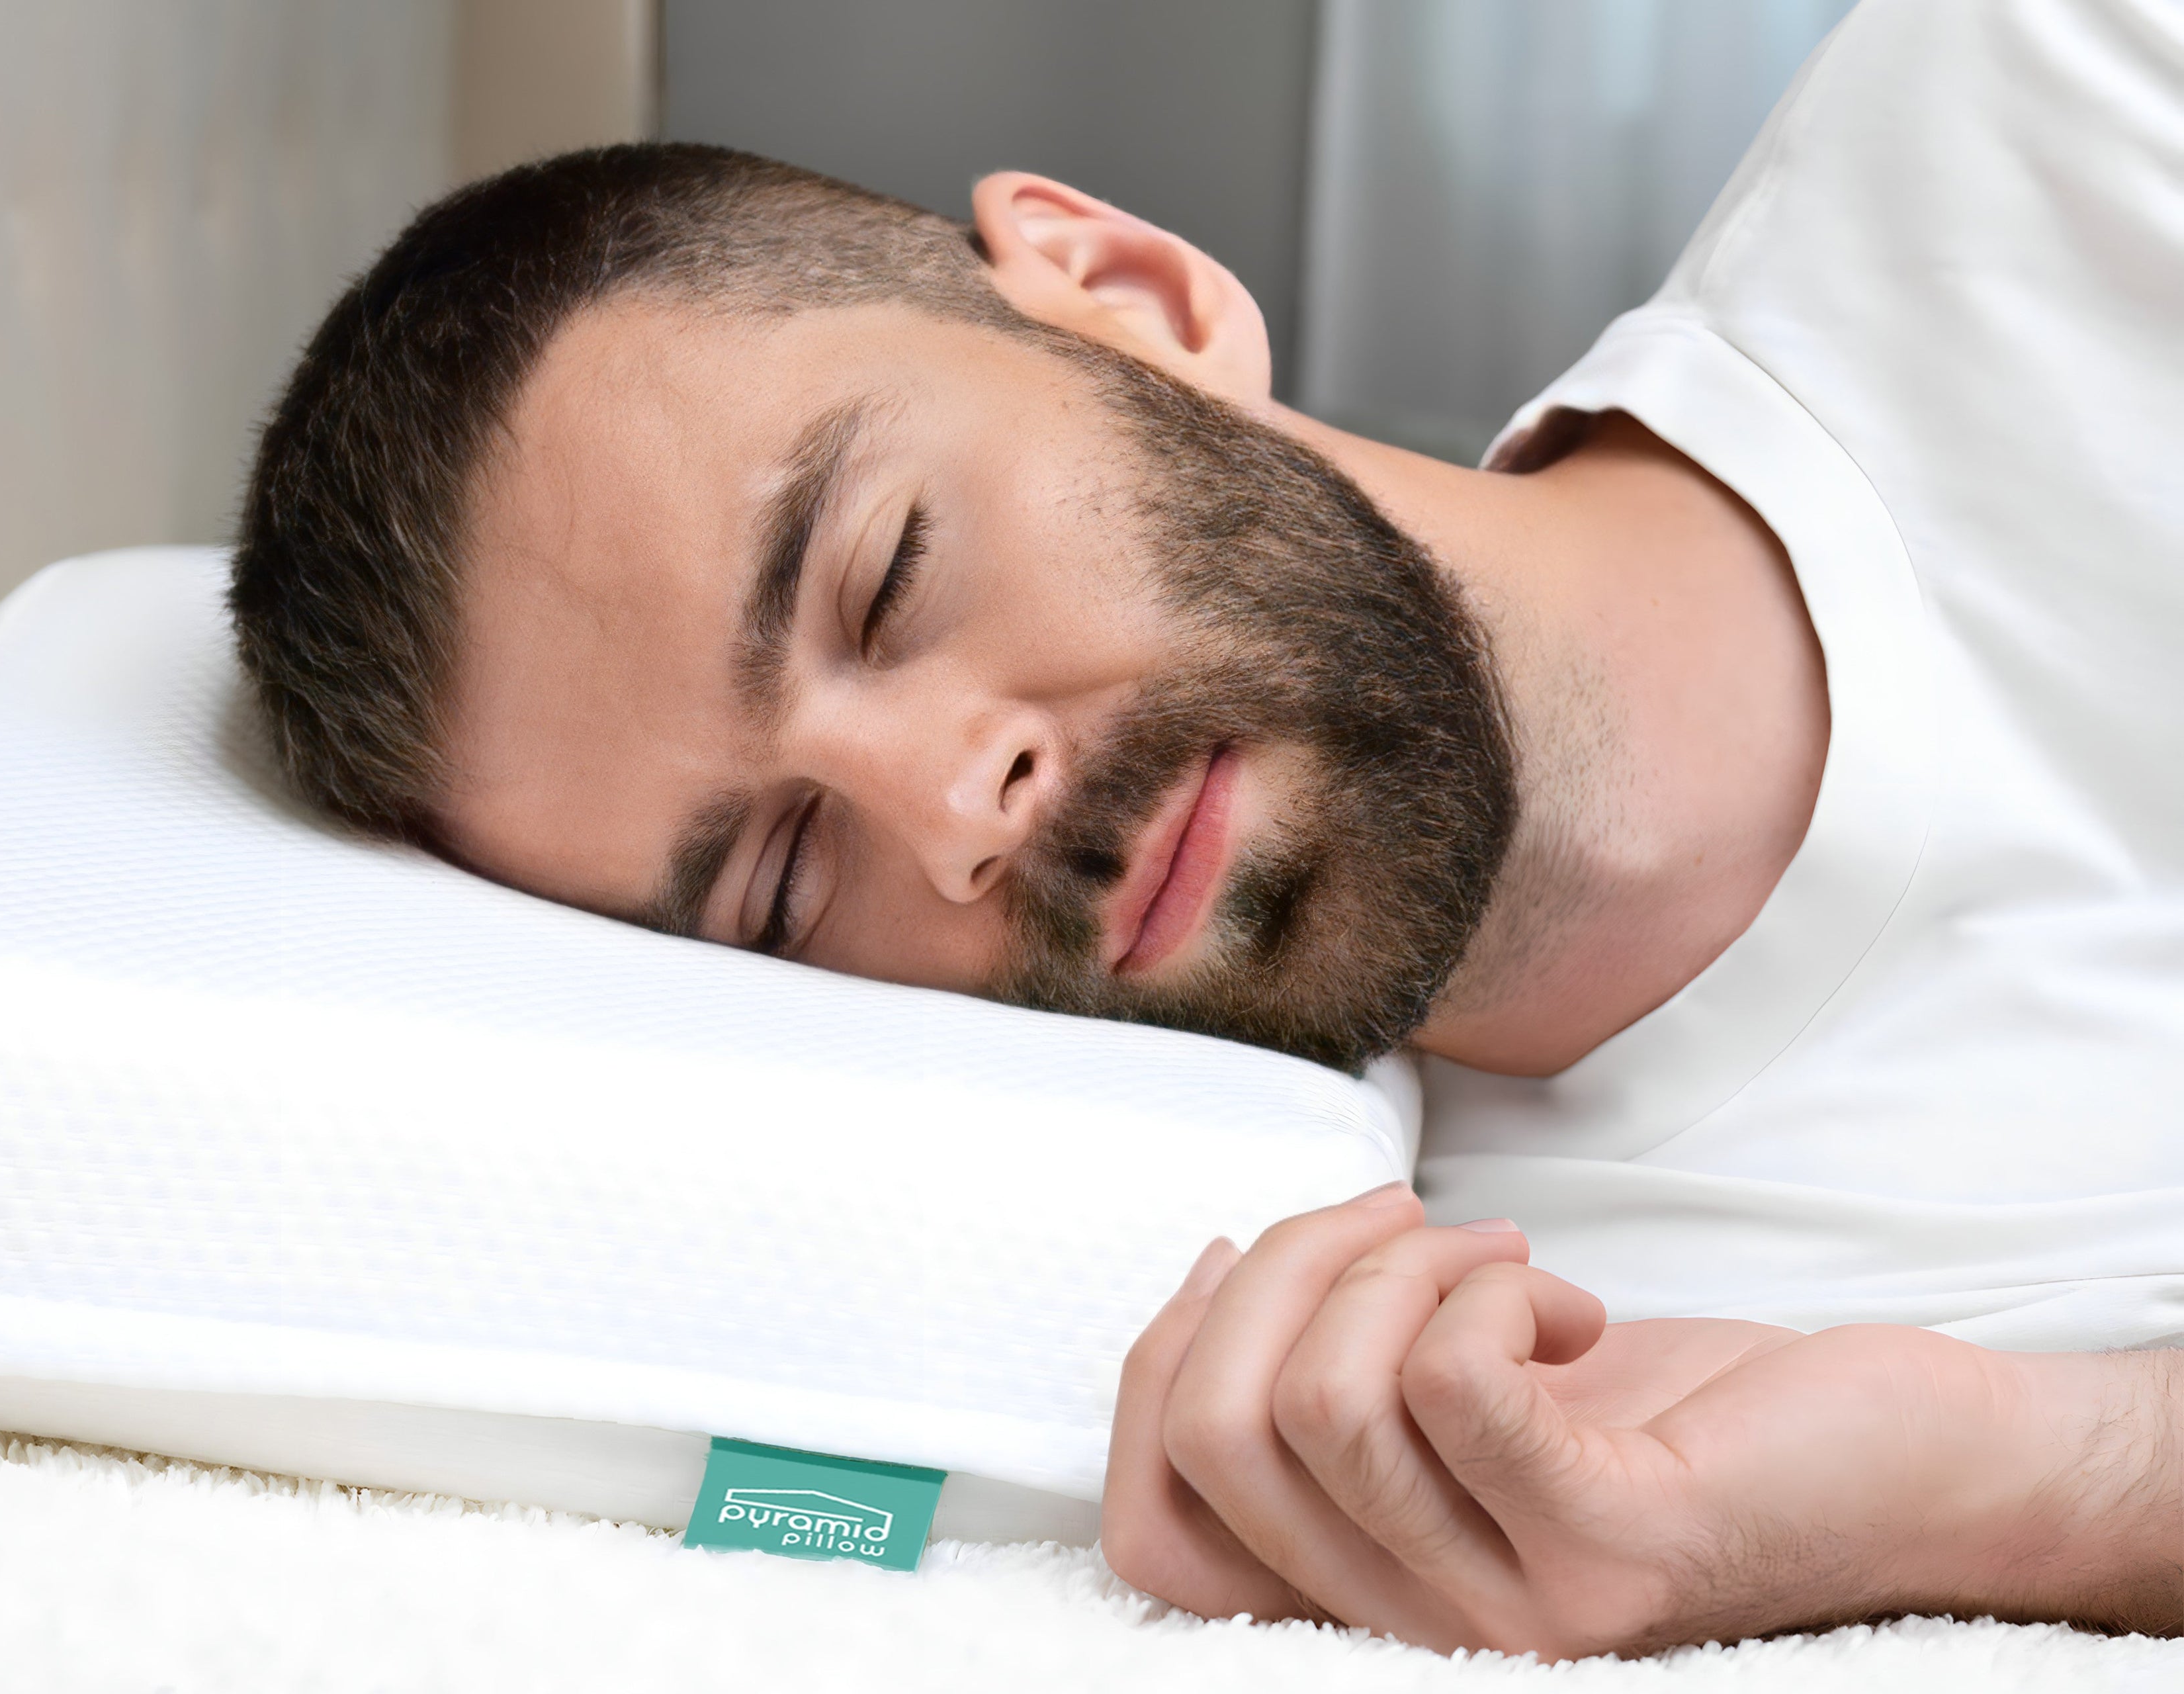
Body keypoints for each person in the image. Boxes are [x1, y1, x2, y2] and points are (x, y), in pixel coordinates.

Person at [228, 0, 2181, 1656]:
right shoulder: (1514, 1393)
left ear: (1127, 297)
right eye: (784, 883)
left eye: (890, 571)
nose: (949, 816)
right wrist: (2031, 1486)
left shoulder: (2068, 104)